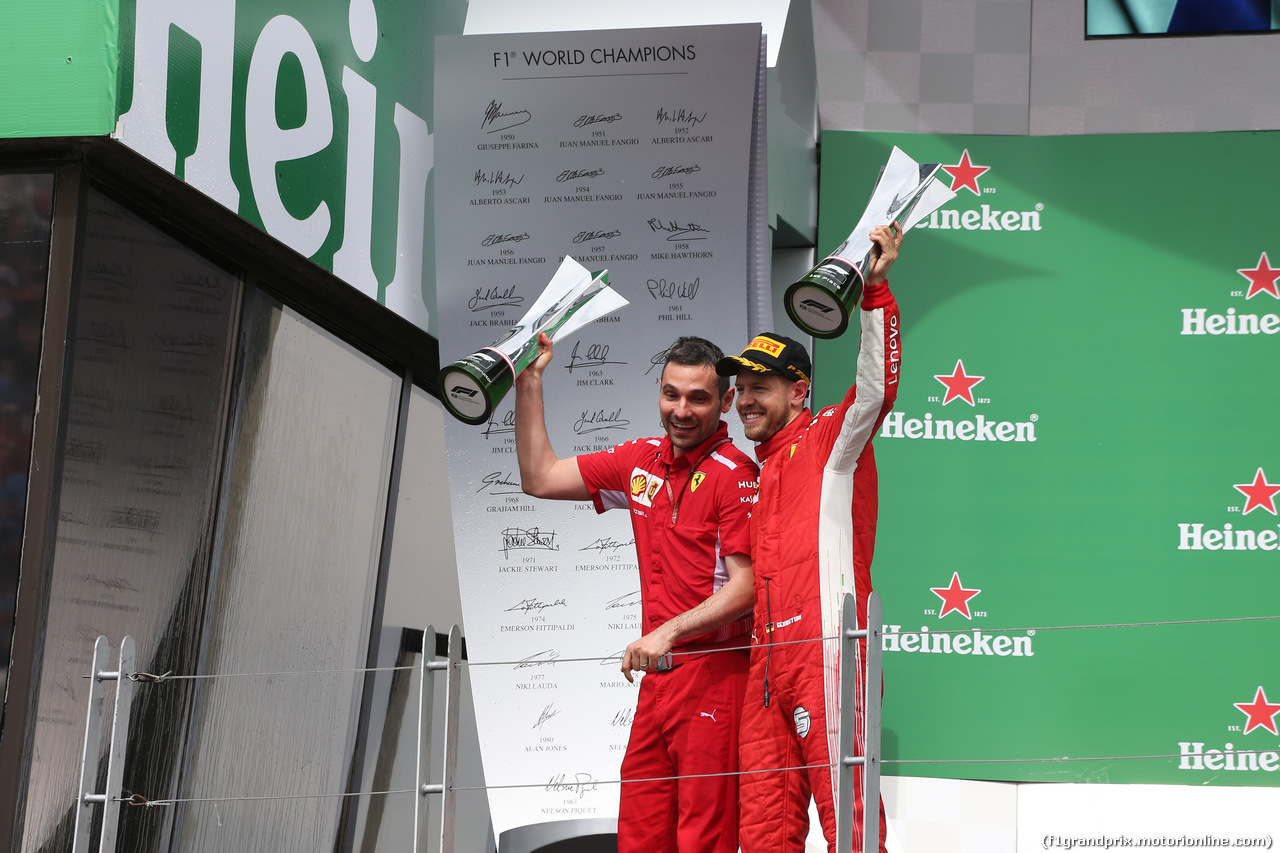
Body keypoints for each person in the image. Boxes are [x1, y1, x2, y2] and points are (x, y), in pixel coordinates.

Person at [514, 333, 759, 853]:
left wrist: (667, 633)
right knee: (640, 838)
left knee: (703, 842)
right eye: (672, 395)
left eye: (698, 398)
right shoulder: (641, 460)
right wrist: (530, 382)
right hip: (657, 681)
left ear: (727, 403)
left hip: (717, 677)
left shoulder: (736, 475)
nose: (682, 410)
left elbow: (748, 587)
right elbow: (539, 477)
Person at [720, 223, 903, 853]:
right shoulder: (761, 466)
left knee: (850, 827)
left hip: (828, 652)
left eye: (760, 387)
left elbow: (877, 392)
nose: (745, 400)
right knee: (765, 834)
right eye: (740, 389)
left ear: (799, 389)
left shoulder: (830, 440)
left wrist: (874, 294)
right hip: (767, 665)